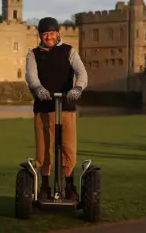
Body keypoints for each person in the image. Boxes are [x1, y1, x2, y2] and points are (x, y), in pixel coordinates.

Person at [25, 17, 88, 200]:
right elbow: (31, 75)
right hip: (43, 107)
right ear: (41, 36)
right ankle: (44, 186)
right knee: (44, 150)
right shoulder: (33, 54)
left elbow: (82, 73)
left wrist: (78, 88)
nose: (49, 37)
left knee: (68, 148)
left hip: (66, 107)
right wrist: (38, 88)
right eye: (45, 34)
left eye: (52, 33)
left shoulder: (69, 51)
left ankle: (69, 186)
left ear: (57, 34)